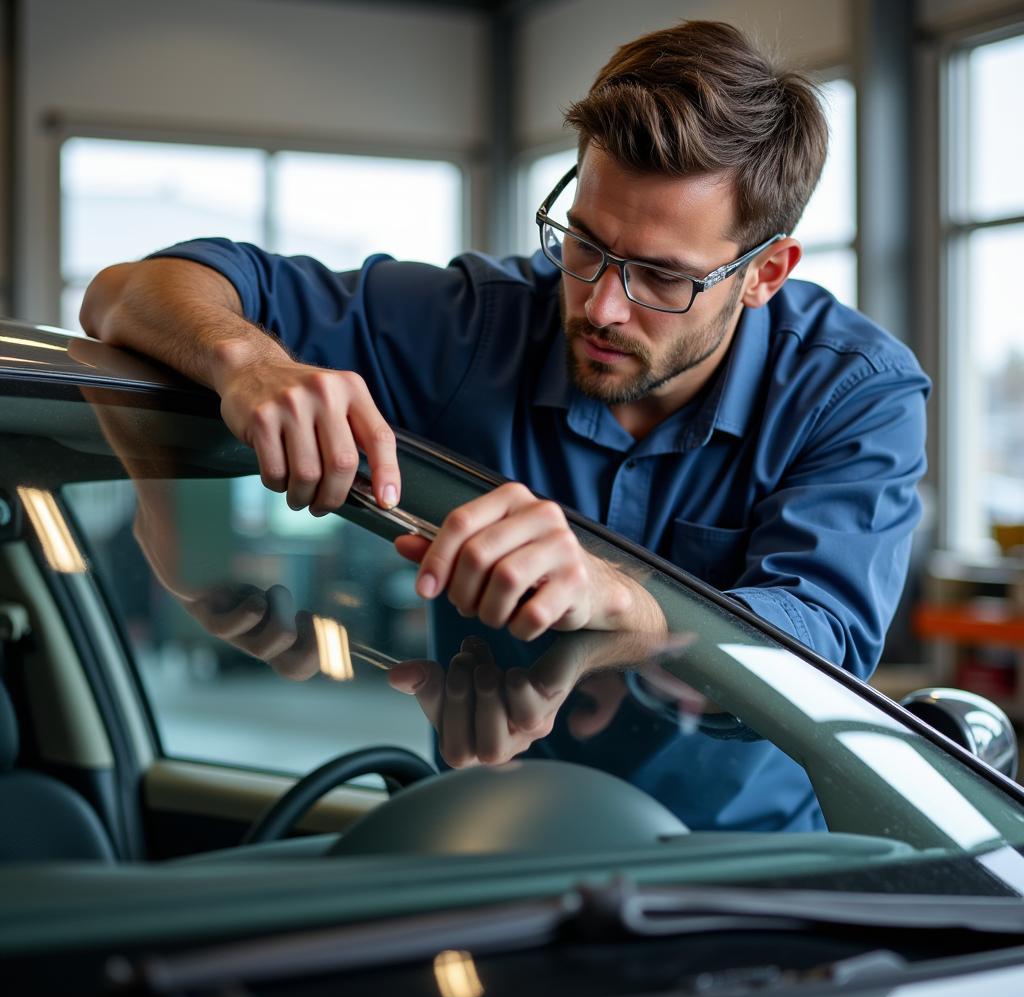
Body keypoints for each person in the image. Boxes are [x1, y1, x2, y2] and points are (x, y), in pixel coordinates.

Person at [80, 20, 929, 830]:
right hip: (482, 844)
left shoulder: (853, 392)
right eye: (587, 244)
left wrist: (627, 605)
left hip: (752, 884)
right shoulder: (471, 327)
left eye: (662, 279)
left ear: (764, 273)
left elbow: (824, 646)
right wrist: (251, 367)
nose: (600, 306)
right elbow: (126, 293)